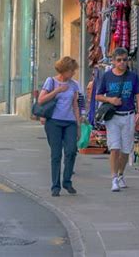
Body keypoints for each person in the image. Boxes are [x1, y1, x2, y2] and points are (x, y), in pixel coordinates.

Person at [96, 47, 139, 192]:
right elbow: (98, 96)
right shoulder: (107, 76)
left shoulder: (133, 76)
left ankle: (121, 174)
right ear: (113, 61)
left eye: (124, 60)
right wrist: (110, 99)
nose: (122, 63)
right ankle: (114, 179)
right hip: (113, 117)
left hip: (129, 115)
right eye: (119, 60)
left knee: (125, 150)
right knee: (114, 148)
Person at [38, 56, 81, 197]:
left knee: (71, 150)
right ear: (64, 70)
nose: (73, 73)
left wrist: (78, 125)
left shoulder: (74, 84)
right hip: (53, 123)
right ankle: (55, 186)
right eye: (71, 70)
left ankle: (67, 181)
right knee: (56, 155)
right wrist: (57, 91)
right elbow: (41, 100)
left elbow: (75, 105)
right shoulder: (51, 82)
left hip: (69, 122)